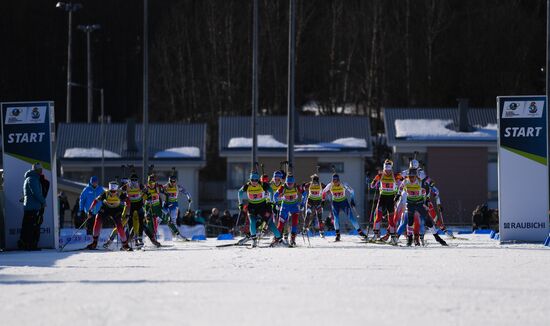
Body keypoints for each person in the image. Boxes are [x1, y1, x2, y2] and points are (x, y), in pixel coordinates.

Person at [238, 171, 282, 247]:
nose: (254, 182)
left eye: (256, 180)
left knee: (270, 224)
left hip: (263, 207)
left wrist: (271, 202)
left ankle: (280, 240)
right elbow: (240, 192)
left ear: (258, 180)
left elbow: (271, 191)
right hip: (252, 207)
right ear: (250, 179)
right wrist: (240, 204)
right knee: (253, 222)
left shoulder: (263, 185)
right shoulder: (247, 186)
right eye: (252, 180)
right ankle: (254, 240)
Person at [85, 181, 133, 251]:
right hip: (105, 209)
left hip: (116, 210)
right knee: (98, 219)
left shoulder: (120, 193)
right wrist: (90, 210)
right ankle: (94, 242)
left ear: (116, 190)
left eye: (114, 192)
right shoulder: (105, 193)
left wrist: (127, 212)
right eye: (111, 191)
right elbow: (96, 200)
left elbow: (128, 201)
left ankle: (125, 245)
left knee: (119, 226)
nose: (112, 193)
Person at [322, 173, 368, 242]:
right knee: (336, 219)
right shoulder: (330, 185)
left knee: (351, 218)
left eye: (336, 180)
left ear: (338, 180)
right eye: (333, 180)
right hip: (335, 203)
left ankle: (360, 233)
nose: (335, 182)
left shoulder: (343, 184)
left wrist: (352, 200)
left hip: (344, 202)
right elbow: (323, 192)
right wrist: (323, 200)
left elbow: (352, 191)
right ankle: (337, 235)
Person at [369, 159, 403, 244]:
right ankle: (376, 235)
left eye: (389, 170)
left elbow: (404, 182)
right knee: (378, 216)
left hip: (391, 199)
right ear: (384, 169)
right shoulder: (380, 175)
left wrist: (400, 189)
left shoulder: (395, 176)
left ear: (391, 169)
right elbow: (372, 185)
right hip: (382, 198)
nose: (387, 172)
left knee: (391, 219)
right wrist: (373, 183)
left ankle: (393, 237)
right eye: (386, 170)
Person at [18, 163, 46, 250]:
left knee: (28, 226)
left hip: (31, 206)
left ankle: (27, 244)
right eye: (40, 169)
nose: (41, 171)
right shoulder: (32, 179)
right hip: (32, 207)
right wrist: (43, 201)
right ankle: (29, 245)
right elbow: (36, 193)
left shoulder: (31, 178)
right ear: (36, 170)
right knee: (31, 227)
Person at [274, 173, 304, 247]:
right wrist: (277, 204)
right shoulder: (283, 187)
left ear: (293, 182)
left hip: (294, 206)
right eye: (288, 183)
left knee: (294, 222)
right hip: (285, 206)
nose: (289, 185)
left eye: (291, 183)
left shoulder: (297, 187)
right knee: (281, 223)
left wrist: (302, 203)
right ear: (286, 182)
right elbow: (275, 195)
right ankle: (276, 239)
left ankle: (293, 239)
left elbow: (305, 194)